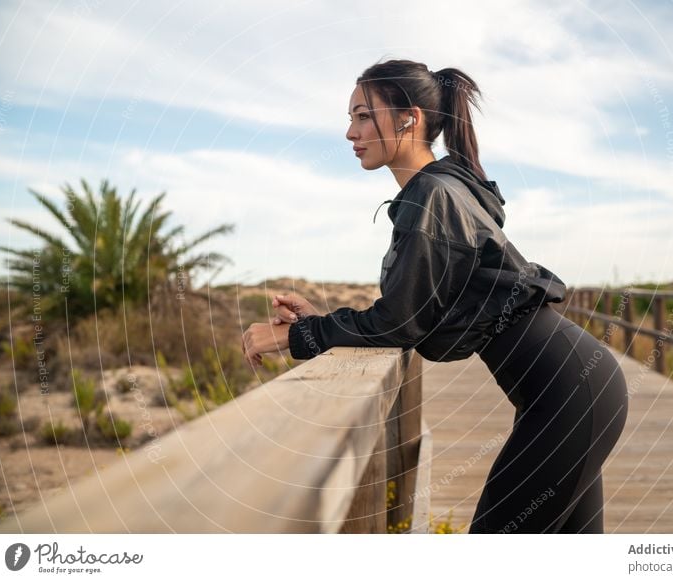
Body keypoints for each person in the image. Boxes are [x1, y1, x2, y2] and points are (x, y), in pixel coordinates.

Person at [241, 58, 628, 533]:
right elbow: (411, 311)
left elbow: (398, 325)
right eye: (351, 118)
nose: (350, 132)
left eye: (363, 115)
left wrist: (297, 335)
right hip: (574, 389)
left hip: (570, 396)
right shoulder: (443, 189)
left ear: (410, 118)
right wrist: (322, 321)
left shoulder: (433, 197)